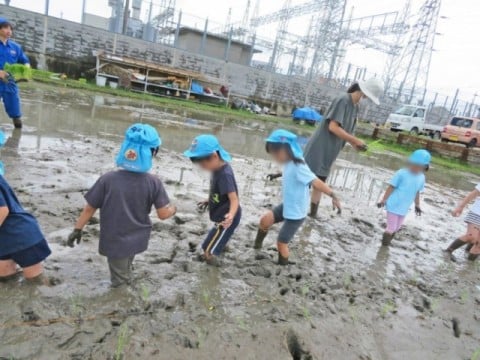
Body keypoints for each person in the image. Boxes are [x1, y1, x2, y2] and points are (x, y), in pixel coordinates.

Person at [67, 124, 177, 287]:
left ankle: (122, 295)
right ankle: (127, 283)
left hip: (115, 239)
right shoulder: (154, 182)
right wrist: (174, 208)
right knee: (126, 266)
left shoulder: (108, 179)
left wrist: (77, 229)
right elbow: (163, 214)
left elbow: (90, 208)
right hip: (138, 237)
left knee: (119, 280)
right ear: (152, 152)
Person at [255, 129, 341, 265]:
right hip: (288, 205)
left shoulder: (299, 165)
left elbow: (316, 181)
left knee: (281, 242)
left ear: (287, 149)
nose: (275, 157)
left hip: (296, 213)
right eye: (272, 154)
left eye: (275, 153)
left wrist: (333, 195)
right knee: (265, 221)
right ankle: (256, 247)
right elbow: (287, 172)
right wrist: (276, 175)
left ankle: (282, 265)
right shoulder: (289, 162)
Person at [303, 78, 384, 217]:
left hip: (330, 151)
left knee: (320, 182)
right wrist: (354, 140)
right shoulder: (343, 100)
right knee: (305, 180)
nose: (366, 99)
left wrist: (356, 144)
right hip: (319, 148)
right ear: (363, 92)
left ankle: (312, 215)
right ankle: (290, 211)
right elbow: (333, 127)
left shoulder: (355, 106)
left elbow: (346, 133)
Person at [0, 130, 51, 283]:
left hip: (22, 235)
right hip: (3, 239)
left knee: (36, 282)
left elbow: (2, 210)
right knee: (6, 279)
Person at [183, 134, 241, 266]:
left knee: (208, 251)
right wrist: (208, 200)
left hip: (227, 218)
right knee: (207, 245)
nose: (201, 167)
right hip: (221, 215)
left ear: (215, 156)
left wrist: (230, 216)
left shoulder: (225, 175)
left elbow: (234, 199)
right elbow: (218, 192)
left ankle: (213, 273)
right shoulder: (215, 169)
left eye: (202, 164)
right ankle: (220, 246)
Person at [377, 149, 431, 246]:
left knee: (397, 228)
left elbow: (417, 191)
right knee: (391, 228)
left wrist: (417, 205)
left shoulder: (421, 177)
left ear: (425, 167)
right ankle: (384, 248)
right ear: (410, 162)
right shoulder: (401, 173)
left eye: (418, 166)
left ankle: (387, 243)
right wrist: (384, 200)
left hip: (404, 207)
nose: (415, 167)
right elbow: (391, 186)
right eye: (413, 164)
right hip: (393, 204)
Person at [0, 18, 30, 129]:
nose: (9, 31)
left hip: (10, 82)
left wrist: (26, 69)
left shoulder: (16, 47)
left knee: (15, 110)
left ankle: (17, 132)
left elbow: (25, 60)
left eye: (10, 28)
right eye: (5, 27)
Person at [445, 184, 480, 261]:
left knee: (478, 244)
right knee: (471, 236)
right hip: (477, 213)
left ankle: (468, 266)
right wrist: (460, 207)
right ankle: (448, 251)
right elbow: (474, 193)